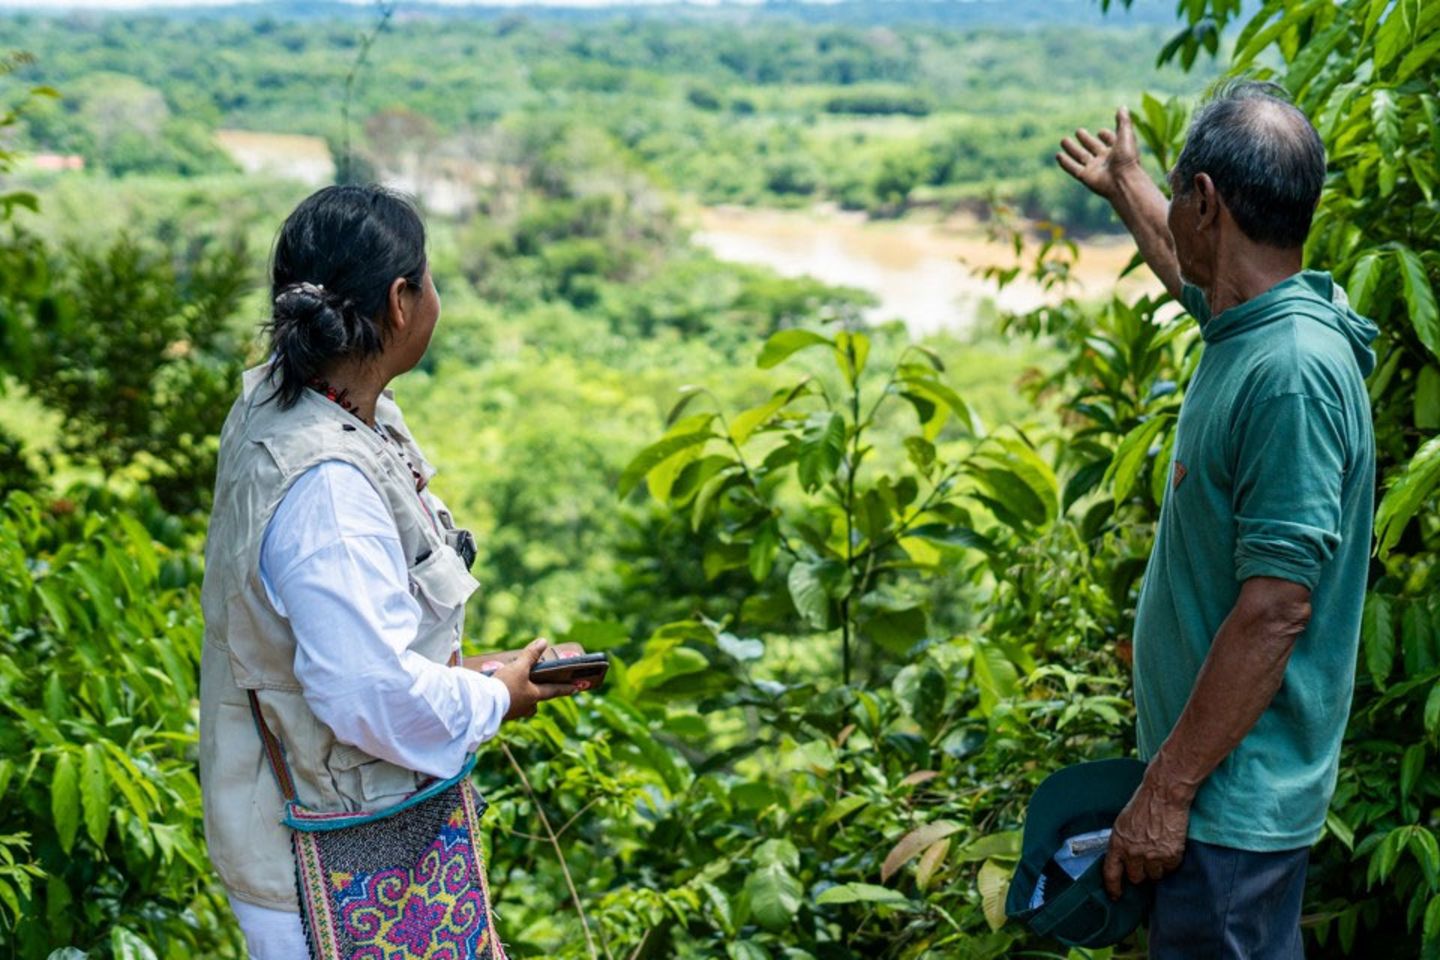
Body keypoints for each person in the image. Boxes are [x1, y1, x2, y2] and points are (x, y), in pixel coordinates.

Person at [198, 184, 587, 958]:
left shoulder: (304, 405)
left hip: (329, 833)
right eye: (429, 278)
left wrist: (476, 671)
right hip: (323, 860)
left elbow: (329, 645)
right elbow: (367, 694)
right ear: (401, 301)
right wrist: (493, 697)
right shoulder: (328, 485)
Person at [1056, 81, 1377, 958]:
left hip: (1226, 809)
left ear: (1207, 201)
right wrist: (1128, 187)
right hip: (1217, 798)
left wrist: (1165, 792)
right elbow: (1192, 274)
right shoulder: (1255, 321)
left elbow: (1276, 609)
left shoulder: (1292, 374)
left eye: (1175, 190)